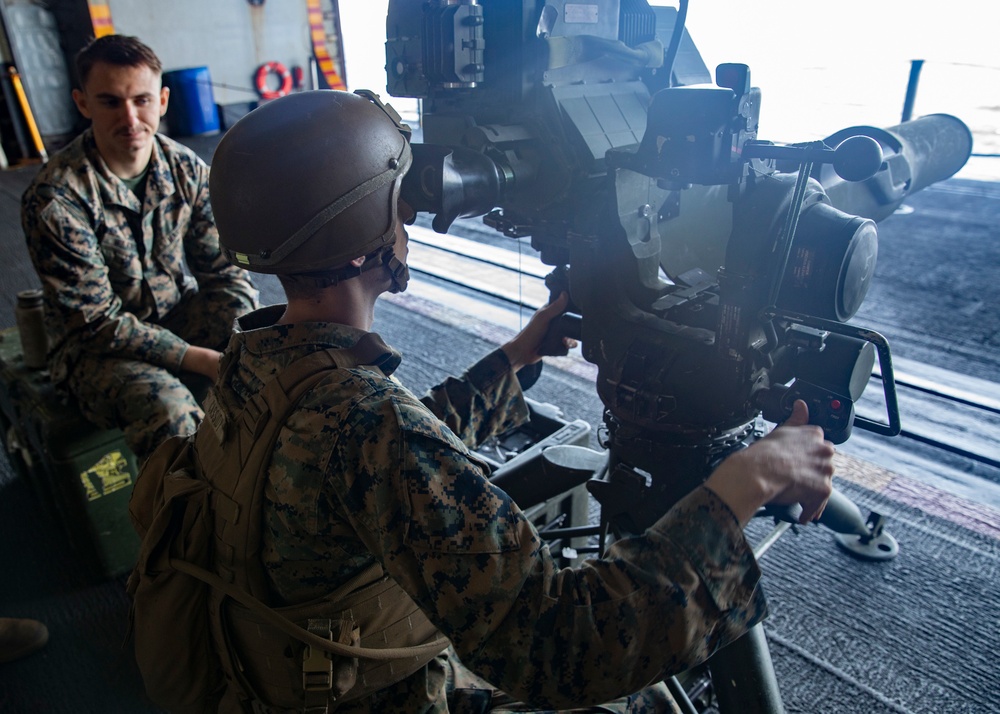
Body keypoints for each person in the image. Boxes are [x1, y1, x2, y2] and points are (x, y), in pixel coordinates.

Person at [188, 89, 834, 712]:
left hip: (279, 669)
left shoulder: (259, 358)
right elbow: (561, 644)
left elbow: (383, 459)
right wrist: (748, 479)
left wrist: (516, 357)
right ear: (370, 229)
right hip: (378, 693)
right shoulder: (367, 420)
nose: (410, 215)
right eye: (400, 200)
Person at [21, 34, 258, 461]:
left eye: (142, 100)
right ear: (82, 103)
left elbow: (223, 274)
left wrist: (246, 340)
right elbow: (96, 323)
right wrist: (200, 359)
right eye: (110, 102)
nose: (130, 118)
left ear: (163, 100)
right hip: (94, 352)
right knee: (169, 408)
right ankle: (196, 524)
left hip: (173, 315)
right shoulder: (56, 199)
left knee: (260, 349)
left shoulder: (185, 168)